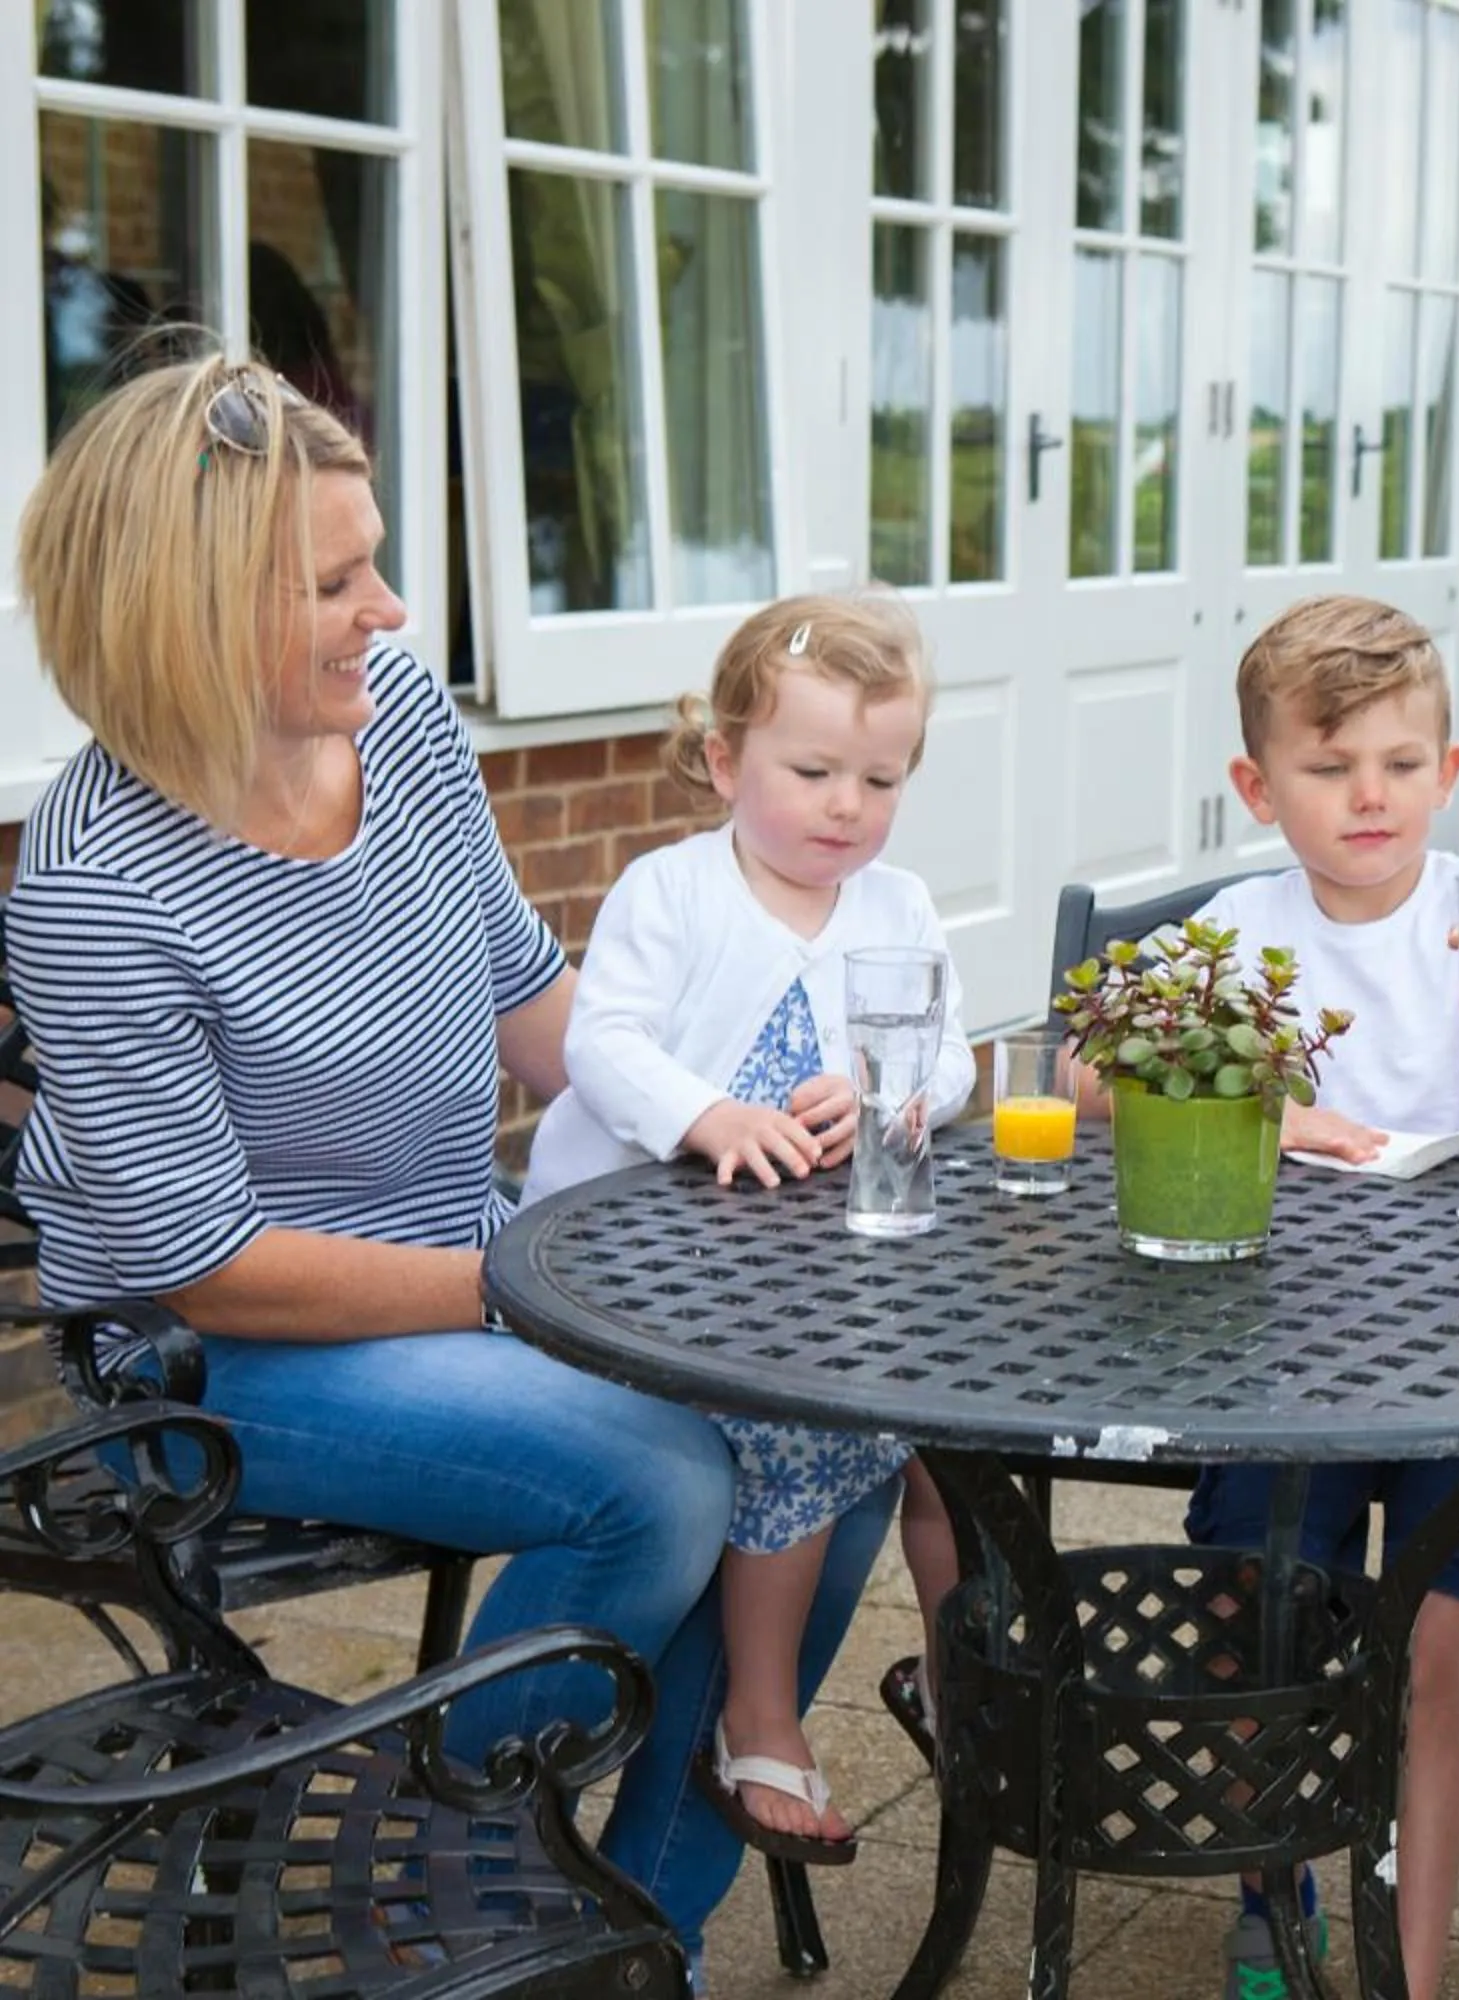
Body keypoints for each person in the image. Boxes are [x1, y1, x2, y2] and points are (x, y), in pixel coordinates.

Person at [4, 350, 891, 1983]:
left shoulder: (394, 715)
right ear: (181, 614)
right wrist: (530, 1293)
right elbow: (208, 1260)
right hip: (222, 1363)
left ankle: (627, 1932)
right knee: (662, 1479)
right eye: (336, 581)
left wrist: (724, 1122)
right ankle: (451, 1916)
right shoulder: (91, 889)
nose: (395, 611)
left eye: (378, 559)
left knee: (838, 1417)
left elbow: (527, 1002)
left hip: (458, 1263)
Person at [1074, 594, 1459, 2000]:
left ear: (1449, 772)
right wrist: (1262, 1116)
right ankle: (1272, 1886)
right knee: (1258, 1603)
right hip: (1286, 1355)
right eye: (1329, 771)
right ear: (1257, 787)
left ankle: (1414, 1971)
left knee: (1419, 1640)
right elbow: (1091, 1079)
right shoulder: (1235, 932)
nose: (1369, 797)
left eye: (1401, 764)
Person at [519, 591, 975, 1862]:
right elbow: (600, 1042)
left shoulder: (897, 908)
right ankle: (758, 1712)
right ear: (726, 760)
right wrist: (707, 1113)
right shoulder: (673, 893)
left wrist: (899, 1092)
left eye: (880, 778)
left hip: (800, 1264)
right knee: (799, 1412)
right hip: (629, 1257)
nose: (848, 806)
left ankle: (964, 1678)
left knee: (951, 1409)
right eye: (814, 769)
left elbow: (952, 1061)